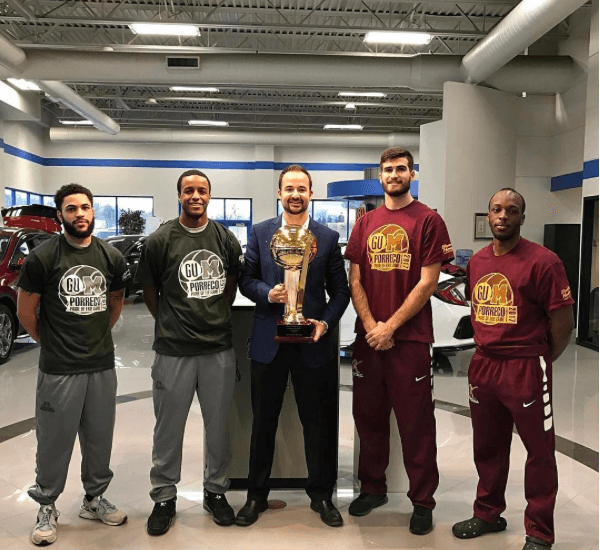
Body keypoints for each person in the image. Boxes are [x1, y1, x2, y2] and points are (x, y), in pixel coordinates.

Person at [452, 188, 574, 550]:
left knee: (539, 451)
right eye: (496, 209)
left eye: (512, 210)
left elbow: (563, 322)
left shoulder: (544, 261)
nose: (503, 216)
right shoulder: (477, 261)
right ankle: (488, 513)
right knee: (487, 447)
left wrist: (539, 359)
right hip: (484, 365)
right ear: (488, 216)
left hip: (525, 367)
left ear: (523, 217)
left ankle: (539, 532)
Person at [344, 147, 454, 535]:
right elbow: (355, 279)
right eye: (388, 169)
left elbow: (428, 282)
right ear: (380, 175)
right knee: (368, 419)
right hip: (368, 340)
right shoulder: (365, 223)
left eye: (401, 169)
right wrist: (373, 325)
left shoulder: (429, 221)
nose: (394, 174)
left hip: (409, 341)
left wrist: (390, 327)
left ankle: (423, 502)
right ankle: (373, 488)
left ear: (412, 173)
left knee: (416, 424)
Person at [236, 164, 350, 528]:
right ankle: (256, 496)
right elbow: (246, 280)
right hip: (269, 341)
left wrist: (325, 322)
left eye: (302, 188)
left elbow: (341, 291)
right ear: (279, 193)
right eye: (289, 188)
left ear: (311, 194)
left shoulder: (328, 238)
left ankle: (322, 496)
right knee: (263, 423)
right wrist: (268, 293)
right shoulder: (258, 233)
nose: (295, 194)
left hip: (311, 343)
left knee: (317, 423)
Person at [17, 184, 130, 546]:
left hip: (100, 364)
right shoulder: (43, 258)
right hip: (59, 368)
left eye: (85, 207)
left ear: (93, 211)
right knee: (54, 441)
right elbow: (25, 312)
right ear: (60, 215)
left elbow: (114, 305)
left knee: (99, 438)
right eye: (71, 209)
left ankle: (94, 499)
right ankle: (46, 505)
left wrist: (93, 337)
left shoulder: (112, 257)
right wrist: (49, 341)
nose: (79, 214)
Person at [136, 169, 243, 535]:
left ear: (209, 196)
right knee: (168, 429)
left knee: (218, 429)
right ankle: (164, 497)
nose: (195, 196)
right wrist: (170, 321)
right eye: (188, 190)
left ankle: (216, 491)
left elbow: (229, 286)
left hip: (218, 349)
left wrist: (210, 316)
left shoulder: (225, 238)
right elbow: (150, 291)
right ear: (179, 195)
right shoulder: (160, 240)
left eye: (201, 190)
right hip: (173, 352)